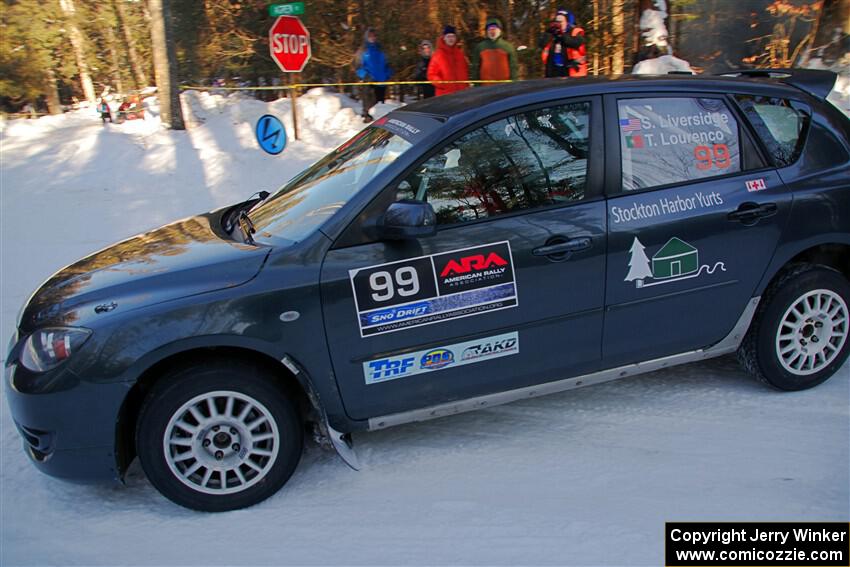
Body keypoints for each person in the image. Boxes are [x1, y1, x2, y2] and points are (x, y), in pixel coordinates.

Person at [356, 27, 392, 122]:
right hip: (369, 81)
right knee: (368, 101)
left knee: (380, 105)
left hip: (381, 81)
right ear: (366, 37)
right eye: (370, 36)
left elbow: (388, 64)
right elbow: (357, 66)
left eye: (374, 36)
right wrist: (365, 76)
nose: (372, 38)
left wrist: (388, 74)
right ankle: (366, 117)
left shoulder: (381, 49)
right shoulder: (363, 50)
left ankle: (379, 120)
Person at [541, 9, 587, 78]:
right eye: (557, 22)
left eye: (561, 22)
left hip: (573, 72)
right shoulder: (553, 34)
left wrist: (561, 35)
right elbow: (541, 44)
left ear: (568, 22)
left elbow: (576, 43)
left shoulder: (576, 32)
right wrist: (548, 32)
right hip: (554, 71)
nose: (558, 24)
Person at [471, 17, 518, 84]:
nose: (492, 31)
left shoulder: (508, 47)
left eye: (495, 29)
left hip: (504, 85)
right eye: (490, 29)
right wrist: (476, 84)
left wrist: (514, 83)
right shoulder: (480, 47)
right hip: (485, 86)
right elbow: (475, 67)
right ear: (487, 32)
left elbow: (513, 67)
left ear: (500, 31)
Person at [427, 26, 470, 97]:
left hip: (461, 93)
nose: (451, 39)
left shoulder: (460, 54)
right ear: (444, 38)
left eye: (453, 36)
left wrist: (466, 86)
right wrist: (441, 83)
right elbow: (431, 74)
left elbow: (465, 71)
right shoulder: (438, 55)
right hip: (445, 94)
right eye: (448, 36)